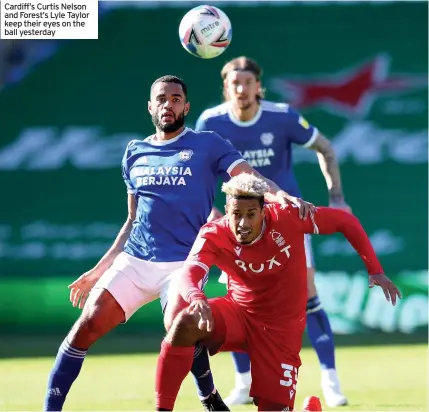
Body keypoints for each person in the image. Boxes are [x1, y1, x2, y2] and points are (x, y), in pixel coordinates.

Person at [43, 75, 314, 412]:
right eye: (161, 98)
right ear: (150, 106)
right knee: (85, 326)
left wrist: (279, 194)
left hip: (183, 263)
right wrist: (98, 270)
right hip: (136, 260)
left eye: (175, 98)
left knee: (181, 325)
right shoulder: (134, 152)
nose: (167, 104)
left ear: (186, 106)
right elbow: (131, 221)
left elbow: (247, 177)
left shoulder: (208, 144)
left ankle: (206, 396)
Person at [155, 173, 401, 412]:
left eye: (251, 215)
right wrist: (197, 297)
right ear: (226, 211)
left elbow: (345, 222)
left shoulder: (289, 216)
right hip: (239, 314)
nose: (243, 223)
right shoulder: (213, 233)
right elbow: (189, 274)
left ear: (263, 211)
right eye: (236, 214)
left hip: (281, 331)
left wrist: (375, 270)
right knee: (186, 322)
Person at [196, 56, 351, 407]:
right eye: (234, 83)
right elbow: (201, 173)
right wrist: (214, 214)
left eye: (247, 82)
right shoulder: (212, 121)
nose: (241, 89)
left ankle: (331, 380)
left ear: (258, 86)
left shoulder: (282, 116)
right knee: (240, 305)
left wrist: (337, 198)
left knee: (308, 297)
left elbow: (325, 147)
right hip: (239, 227)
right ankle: (244, 382)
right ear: (225, 87)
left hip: (285, 225)